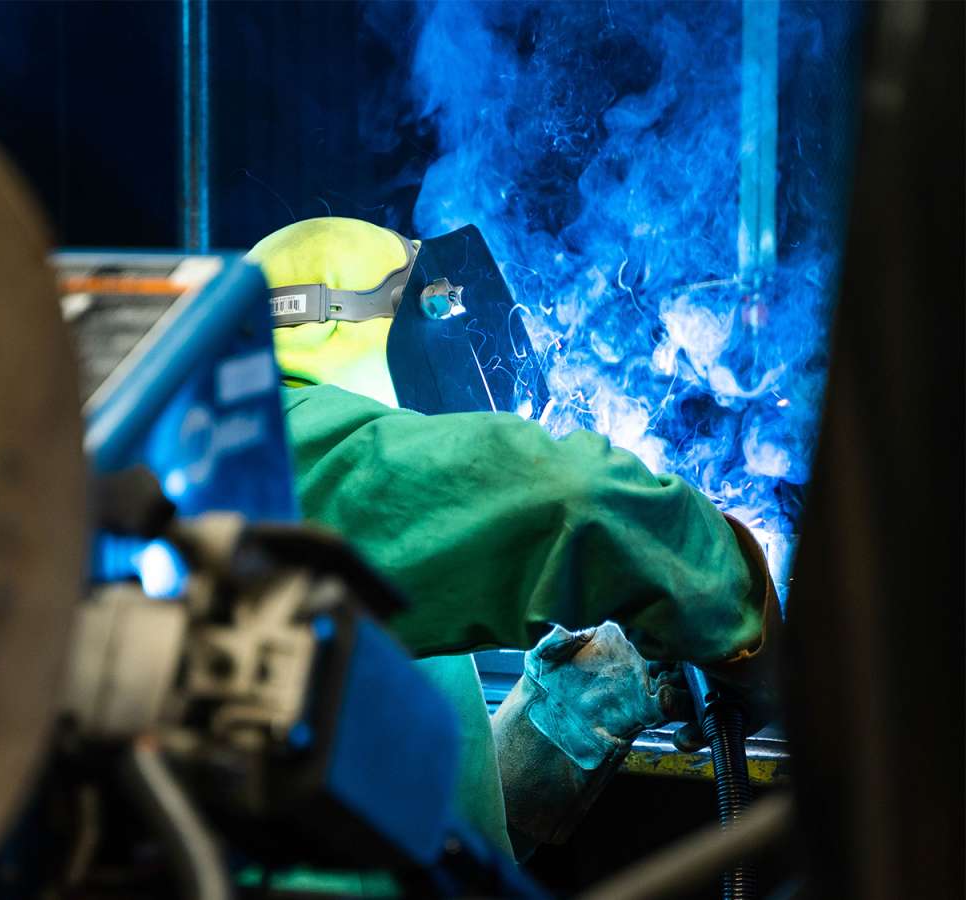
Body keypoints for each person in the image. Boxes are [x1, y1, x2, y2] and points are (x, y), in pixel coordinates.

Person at [247, 217, 780, 861]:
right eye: (433, 306)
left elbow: (420, 831)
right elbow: (577, 495)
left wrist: (573, 711)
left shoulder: (366, 544)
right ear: (330, 318)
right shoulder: (279, 455)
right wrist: (734, 601)